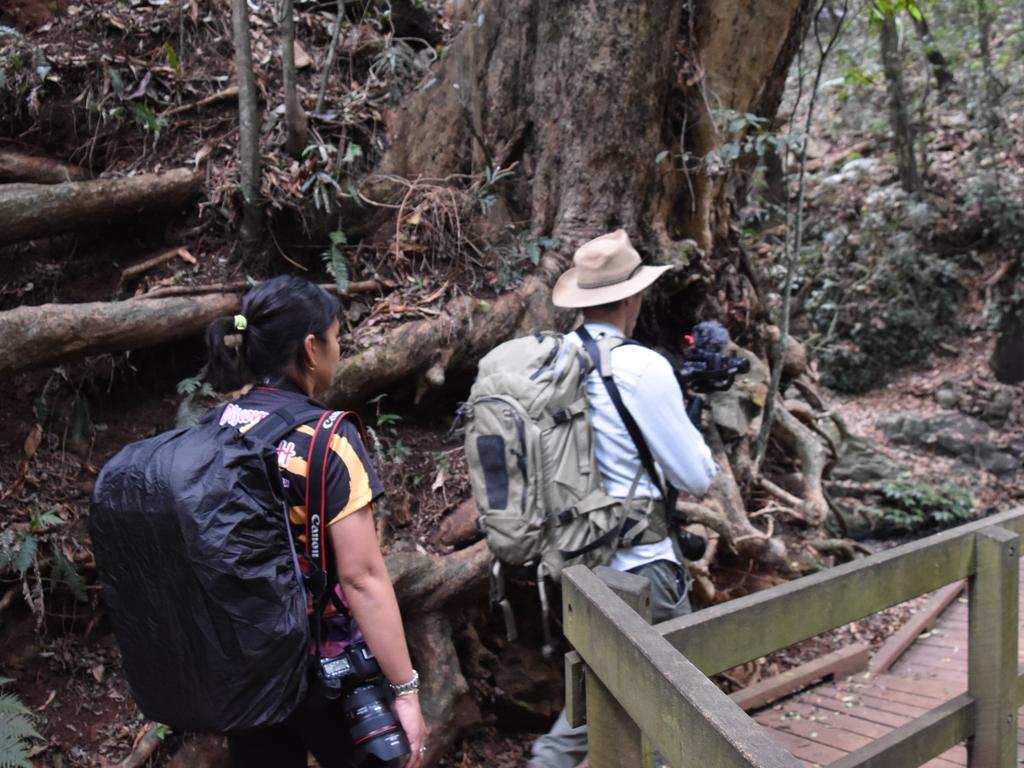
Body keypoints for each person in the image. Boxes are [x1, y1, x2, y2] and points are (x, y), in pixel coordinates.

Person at [204, 275, 427, 768]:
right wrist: (406, 691)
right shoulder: (327, 441)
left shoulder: (214, 431)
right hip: (328, 670)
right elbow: (362, 578)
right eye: (336, 335)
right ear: (311, 348)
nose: (339, 346)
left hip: (249, 668)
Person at [527, 231, 718, 768]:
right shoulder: (640, 367)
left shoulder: (549, 361)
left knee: (595, 697)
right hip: (642, 571)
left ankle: (545, 763)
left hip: (577, 568)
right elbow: (696, 474)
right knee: (672, 710)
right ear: (632, 298)